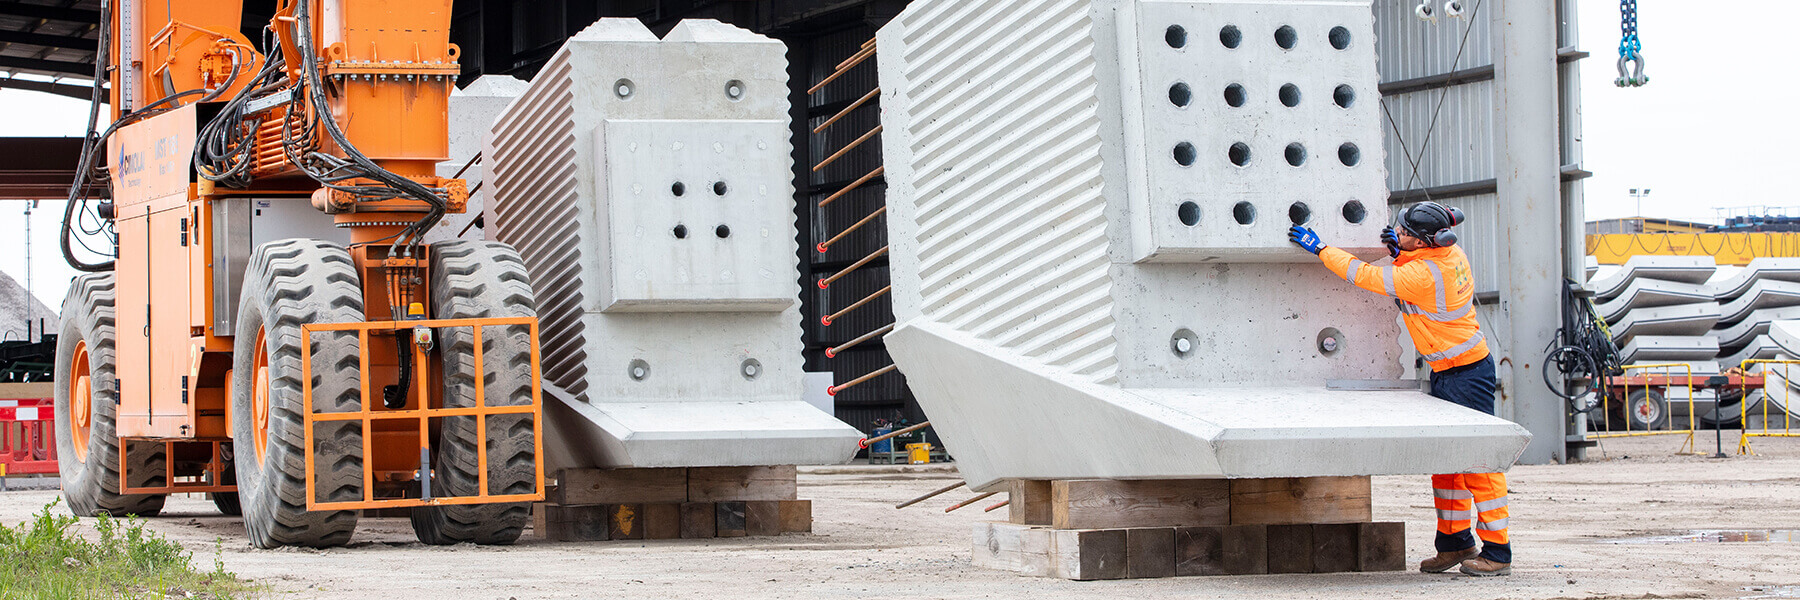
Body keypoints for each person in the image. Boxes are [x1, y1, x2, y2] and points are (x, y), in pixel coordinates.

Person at [1287, 201, 1512, 577]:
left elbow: (1363, 276)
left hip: (1465, 375)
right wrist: (1399, 252)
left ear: (1423, 242)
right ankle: (1455, 544)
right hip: (1452, 371)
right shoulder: (1447, 253)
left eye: (1404, 233)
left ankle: (1498, 553)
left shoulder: (1422, 276)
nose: (1398, 234)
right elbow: (1415, 272)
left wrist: (1321, 249)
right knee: (1447, 465)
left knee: (1478, 465)